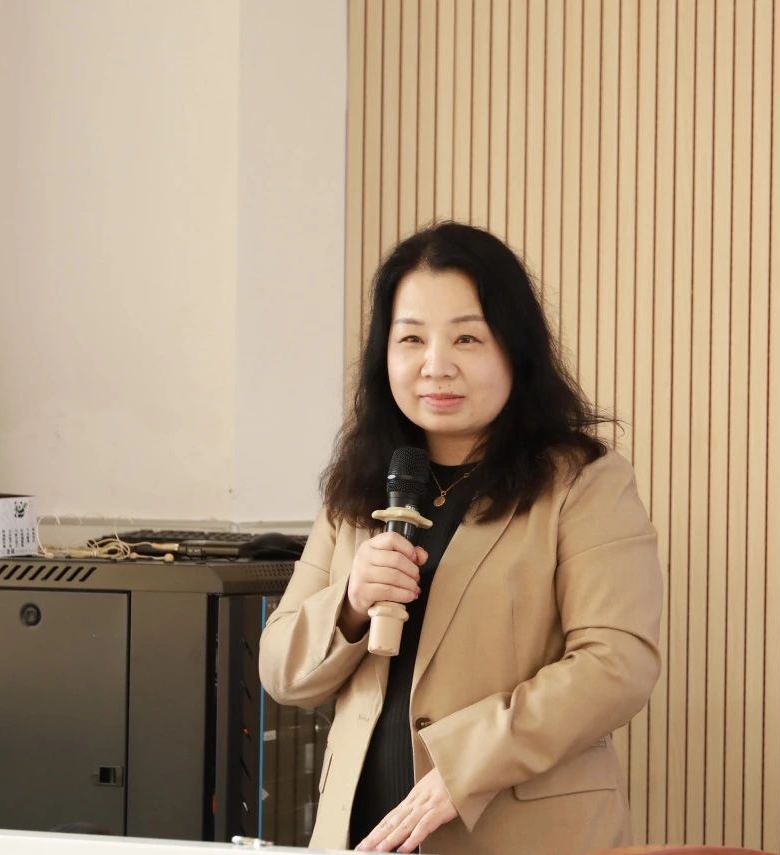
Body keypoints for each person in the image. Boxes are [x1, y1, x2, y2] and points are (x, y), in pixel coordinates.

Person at [258, 222, 662, 854]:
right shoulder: (360, 486)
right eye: (411, 338)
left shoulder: (583, 481)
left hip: (521, 835)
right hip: (362, 832)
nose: (436, 366)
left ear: (514, 349)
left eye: (467, 338)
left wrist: (463, 764)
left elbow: (617, 664)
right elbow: (283, 672)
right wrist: (352, 604)